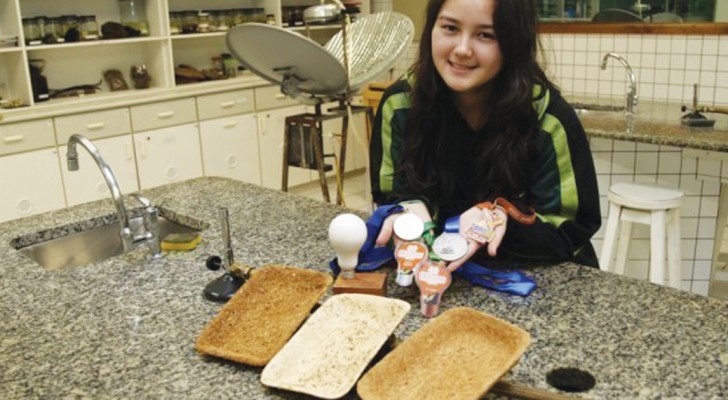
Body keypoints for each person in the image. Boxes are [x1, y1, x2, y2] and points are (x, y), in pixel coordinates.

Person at [369, 0, 601, 270]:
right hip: (436, 276)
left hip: (536, 275)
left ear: (514, 43)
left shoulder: (548, 119)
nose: (462, 49)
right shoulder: (401, 105)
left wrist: (504, 219)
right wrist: (405, 211)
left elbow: (571, 229)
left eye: (485, 35)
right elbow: (390, 193)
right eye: (450, 27)